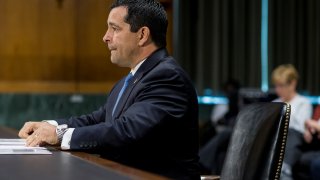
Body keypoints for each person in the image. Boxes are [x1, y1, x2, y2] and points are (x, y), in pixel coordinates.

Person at [18, 0, 200, 179]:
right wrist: (50, 126)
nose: (105, 37)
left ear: (142, 35)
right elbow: (97, 120)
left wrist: (59, 135)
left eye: (115, 28)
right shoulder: (129, 80)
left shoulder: (168, 77)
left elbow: (126, 131)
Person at [271, 64, 312, 180]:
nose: (278, 90)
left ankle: (285, 169)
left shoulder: (303, 102)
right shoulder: (275, 103)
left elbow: (300, 127)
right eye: (276, 86)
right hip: (276, 138)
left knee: (291, 132)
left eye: (281, 86)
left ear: (293, 83)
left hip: (294, 139)